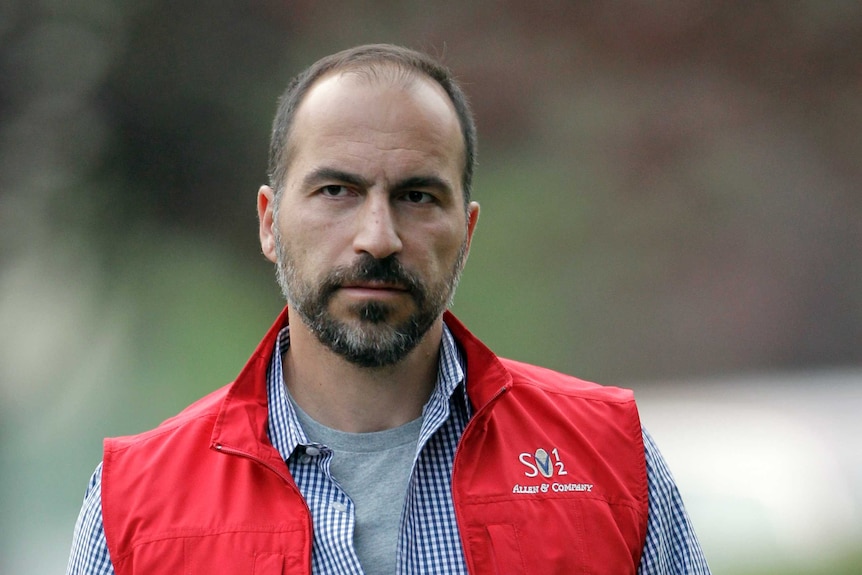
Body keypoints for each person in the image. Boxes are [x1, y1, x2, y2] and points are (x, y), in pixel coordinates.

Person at [67, 44, 710, 574]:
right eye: (336, 190)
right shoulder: (135, 508)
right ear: (269, 223)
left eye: (418, 196)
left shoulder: (609, 464)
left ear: (469, 230)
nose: (378, 236)